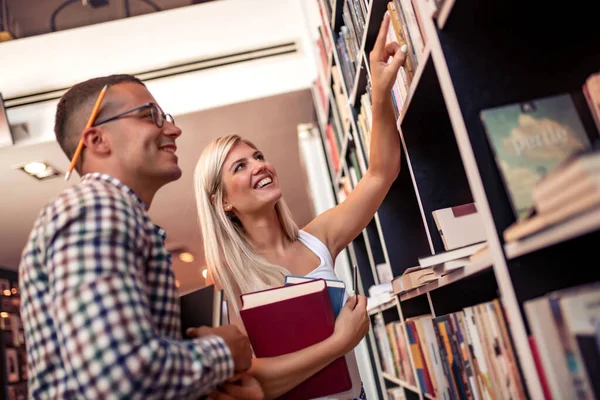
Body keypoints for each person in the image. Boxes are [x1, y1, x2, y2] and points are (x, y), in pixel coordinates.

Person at [192, 13, 406, 400]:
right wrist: (340, 343)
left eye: (258, 156)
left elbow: (381, 174)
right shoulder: (228, 280)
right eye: (241, 166)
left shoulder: (317, 239)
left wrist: (378, 93)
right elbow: (253, 378)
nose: (260, 165)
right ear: (223, 201)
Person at [18, 74, 263, 399]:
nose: (173, 130)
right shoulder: (95, 208)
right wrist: (224, 351)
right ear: (97, 140)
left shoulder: (114, 214)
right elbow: (119, 378)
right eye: (151, 116)